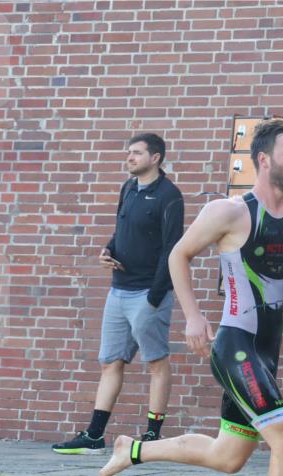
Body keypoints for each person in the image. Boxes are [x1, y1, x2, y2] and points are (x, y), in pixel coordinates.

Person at [96, 118, 283, 476]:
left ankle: (135, 449)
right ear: (264, 160)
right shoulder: (229, 212)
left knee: (228, 457)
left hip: (267, 349)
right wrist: (193, 316)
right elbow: (178, 254)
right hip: (234, 347)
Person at [53, 133, 185, 454]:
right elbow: (121, 229)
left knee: (156, 363)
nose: (129, 158)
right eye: (129, 152)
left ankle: (152, 436)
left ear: (155, 158)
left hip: (148, 294)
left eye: (136, 153)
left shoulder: (170, 196)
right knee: (110, 363)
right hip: (119, 291)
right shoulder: (128, 188)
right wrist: (108, 250)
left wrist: (155, 295)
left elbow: (174, 248)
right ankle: (95, 436)